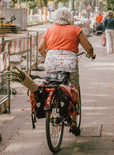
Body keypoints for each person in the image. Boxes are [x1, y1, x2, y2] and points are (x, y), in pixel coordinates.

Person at [38, 8, 95, 136]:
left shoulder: (50, 29)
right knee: (74, 88)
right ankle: (74, 122)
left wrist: (48, 57)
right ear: (69, 17)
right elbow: (88, 47)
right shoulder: (75, 29)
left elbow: (40, 48)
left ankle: (53, 104)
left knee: (53, 83)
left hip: (51, 63)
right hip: (70, 64)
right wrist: (91, 55)